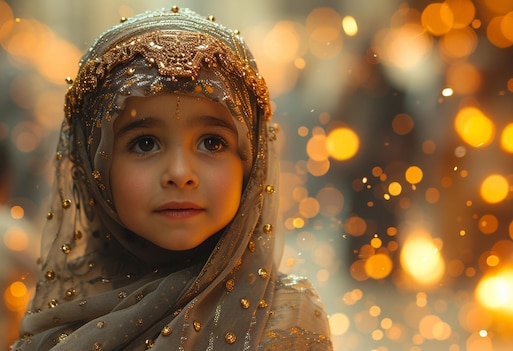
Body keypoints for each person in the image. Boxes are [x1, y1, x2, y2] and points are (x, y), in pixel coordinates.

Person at [11, 7, 332, 351]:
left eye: (212, 143)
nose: (180, 174)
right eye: (144, 143)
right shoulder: (63, 311)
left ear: (251, 162)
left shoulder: (285, 319)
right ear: (94, 166)